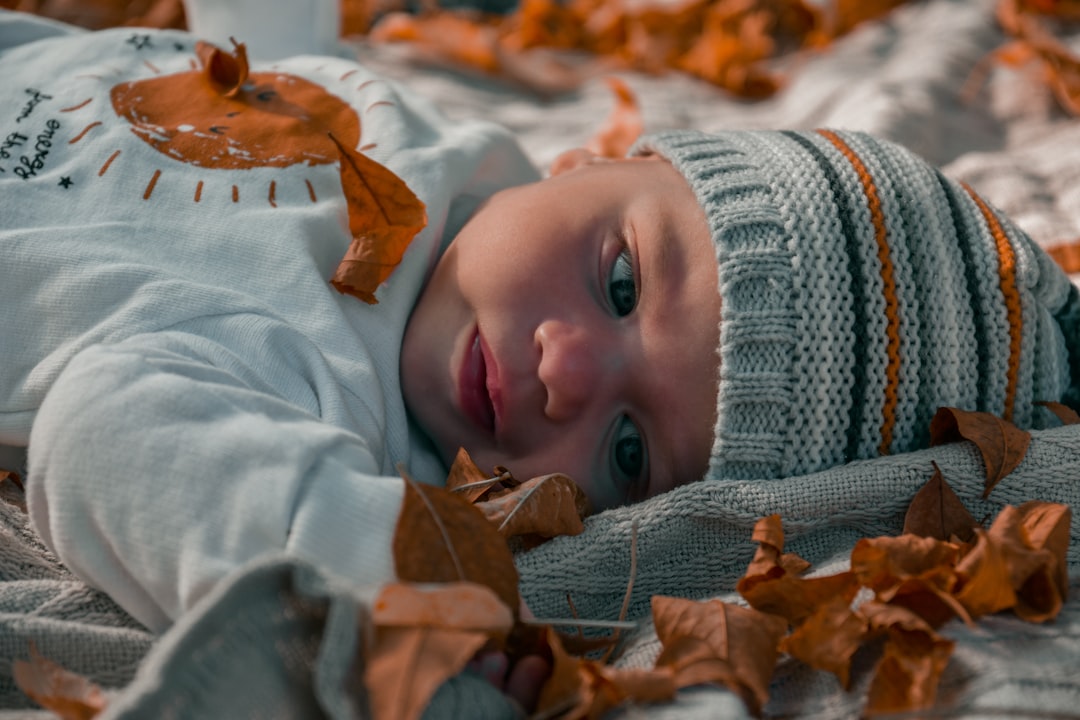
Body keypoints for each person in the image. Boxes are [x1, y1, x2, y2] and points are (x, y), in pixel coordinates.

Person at [2, 4, 1079, 712]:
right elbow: (277, 53)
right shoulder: (461, 155)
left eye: (623, 453)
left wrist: (394, 597)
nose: (568, 372)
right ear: (607, 159)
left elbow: (110, 437)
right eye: (619, 284)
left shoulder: (326, 399)